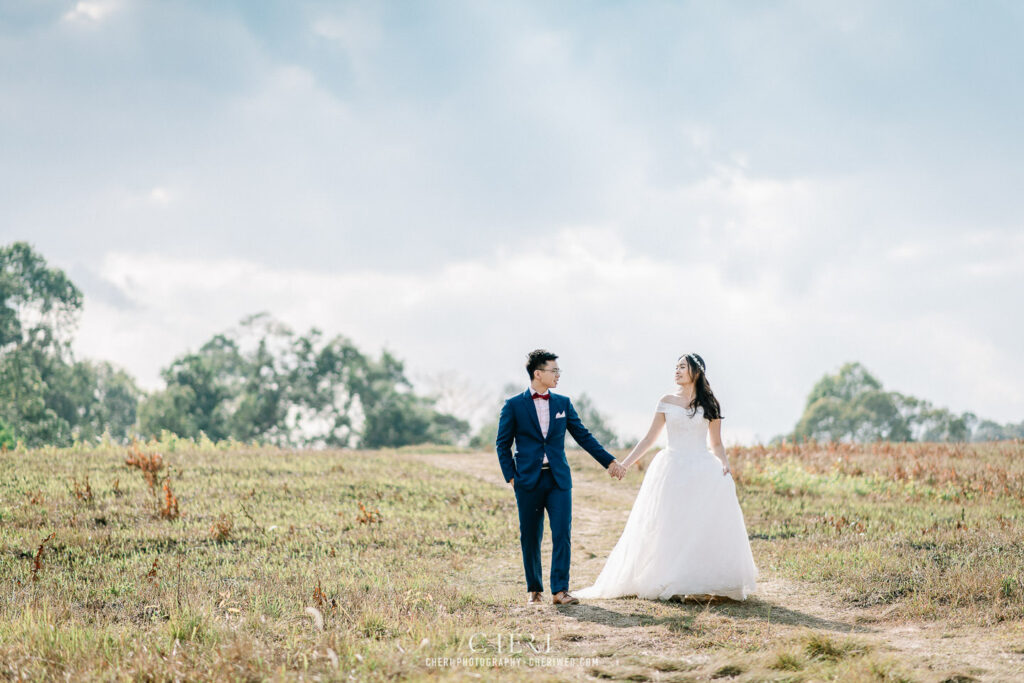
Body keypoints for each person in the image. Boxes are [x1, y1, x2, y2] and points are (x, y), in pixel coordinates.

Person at [573, 353, 758, 601]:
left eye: (683, 367)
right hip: (672, 467)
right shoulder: (666, 401)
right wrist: (624, 464)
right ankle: (671, 578)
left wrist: (724, 464)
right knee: (670, 523)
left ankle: (698, 579)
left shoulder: (710, 404)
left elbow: (716, 443)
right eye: (676, 367)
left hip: (702, 468)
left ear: (697, 371)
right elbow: (649, 439)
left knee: (699, 524)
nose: (677, 371)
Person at [496, 349, 626, 605]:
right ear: (538, 373)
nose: (558, 375)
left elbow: (583, 436)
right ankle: (534, 589)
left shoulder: (562, 403)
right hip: (527, 480)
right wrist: (511, 477)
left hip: (558, 480)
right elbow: (502, 444)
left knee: (562, 533)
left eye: (558, 371)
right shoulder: (513, 405)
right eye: (553, 370)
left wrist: (609, 462)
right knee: (530, 535)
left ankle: (560, 591)